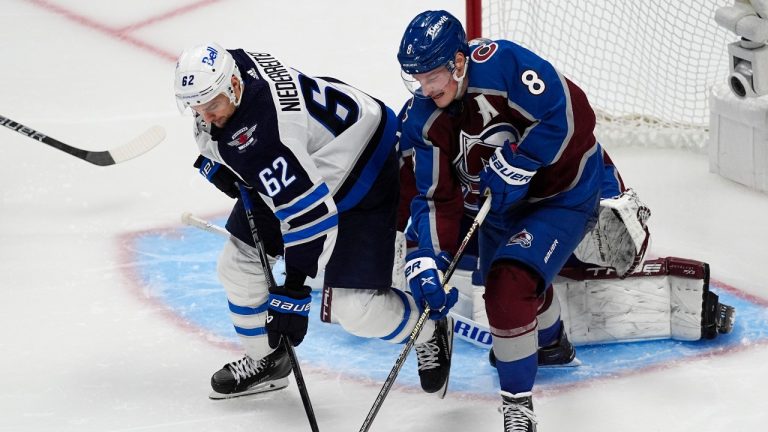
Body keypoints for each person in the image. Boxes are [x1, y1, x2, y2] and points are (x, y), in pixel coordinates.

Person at [173, 42, 454, 399]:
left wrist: (293, 291)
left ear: (234, 86)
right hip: (307, 159)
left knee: (356, 310)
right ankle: (268, 362)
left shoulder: (268, 139)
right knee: (237, 267)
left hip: (365, 168)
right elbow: (229, 136)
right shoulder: (231, 68)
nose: (205, 116)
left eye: (212, 105)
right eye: (197, 107)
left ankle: (429, 326)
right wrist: (220, 162)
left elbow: (310, 217)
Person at [396, 11, 607, 431]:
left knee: (507, 286)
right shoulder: (425, 118)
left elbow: (571, 113)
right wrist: (428, 260)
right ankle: (550, 345)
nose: (424, 88)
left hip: (561, 196)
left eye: (431, 76)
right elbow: (437, 196)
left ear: (458, 62)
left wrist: (522, 161)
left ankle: (518, 406)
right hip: (498, 209)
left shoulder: (505, 64)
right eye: (416, 79)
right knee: (517, 289)